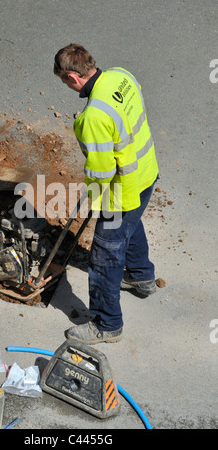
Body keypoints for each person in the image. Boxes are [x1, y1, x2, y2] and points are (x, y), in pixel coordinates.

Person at [54, 44, 159, 345]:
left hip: (121, 192)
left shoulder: (94, 117)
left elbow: (100, 170)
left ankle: (106, 323)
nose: (66, 85)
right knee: (132, 224)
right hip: (145, 173)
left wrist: (93, 198)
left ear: (73, 76)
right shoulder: (121, 76)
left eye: (64, 80)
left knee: (104, 257)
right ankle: (141, 276)